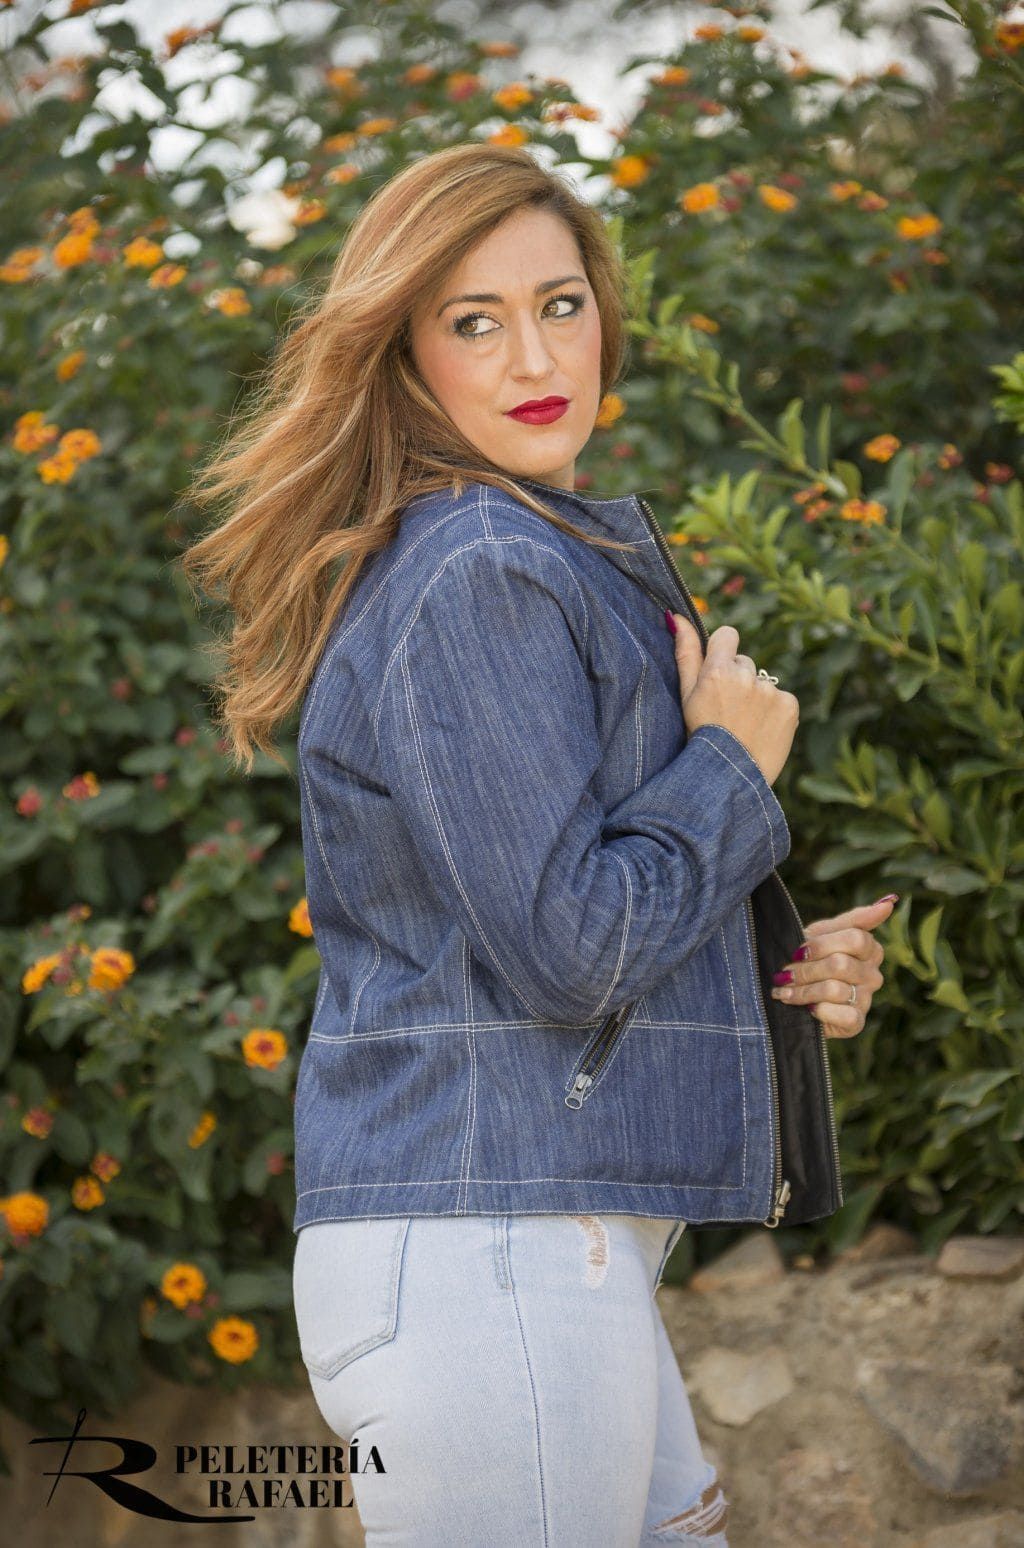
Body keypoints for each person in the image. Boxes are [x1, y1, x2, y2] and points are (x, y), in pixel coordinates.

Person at [180, 142, 891, 1547]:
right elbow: (571, 949)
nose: (534, 354)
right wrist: (733, 770)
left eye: (560, 305)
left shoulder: (514, 553)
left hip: (528, 1249)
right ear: (405, 358)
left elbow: (524, 934)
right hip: (487, 1261)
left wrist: (776, 967)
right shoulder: (481, 570)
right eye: (473, 321)